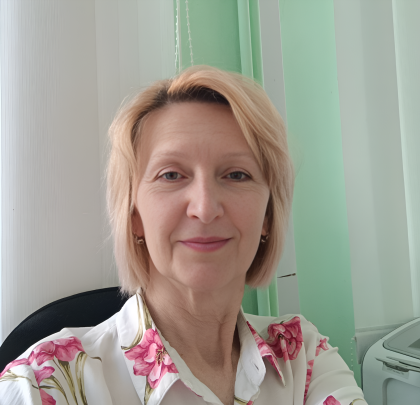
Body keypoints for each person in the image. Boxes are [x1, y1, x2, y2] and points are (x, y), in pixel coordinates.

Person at [0, 66, 366, 405]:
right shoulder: (42, 385)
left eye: (236, 174)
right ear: (134, 216)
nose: (205, 209)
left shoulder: (303, 358)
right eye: (171, 175)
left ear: (268, 215)